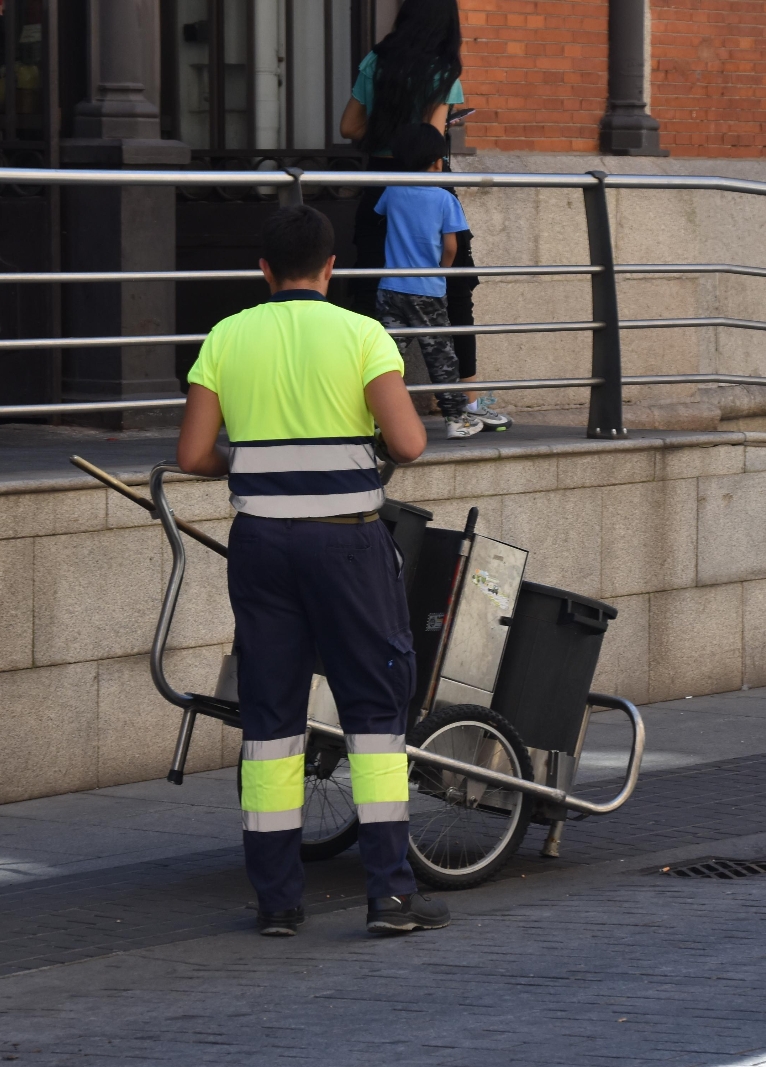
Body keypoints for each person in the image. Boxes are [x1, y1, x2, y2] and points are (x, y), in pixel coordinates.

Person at [176, 205, 449, 938]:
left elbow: (193, 455)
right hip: (347, 546)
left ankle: (276, 901)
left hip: (261, 545)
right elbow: (409, 441)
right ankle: (389, 895)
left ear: (263, 271)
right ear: (331, 268)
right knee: (373, 713)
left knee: (269, 718)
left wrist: (257, 457)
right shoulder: (362, 334)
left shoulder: (227, 336)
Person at [339, 0, 512, 433]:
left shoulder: (377, 60)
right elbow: (431, 137)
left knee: (370, 291)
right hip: (427, 182)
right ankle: (468, 400)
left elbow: (349, 127)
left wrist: (387, 131)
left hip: (379, 183)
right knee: (455, 290)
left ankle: (362, 403)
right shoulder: (441, 69)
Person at [376, 123, 480, 439]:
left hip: (391, 287)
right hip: (428, 291)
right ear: (438, 162)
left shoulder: (391, 191)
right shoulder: (445, 199)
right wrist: (442, 270)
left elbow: (381, 216)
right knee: (441, 355)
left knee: (384, 355)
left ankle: (371, 417)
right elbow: (451, 245)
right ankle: (457, 419)